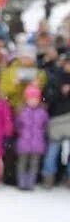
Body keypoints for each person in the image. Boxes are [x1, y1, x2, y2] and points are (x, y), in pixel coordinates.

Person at [15, 83, 49, 191]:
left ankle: (30, 183)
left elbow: (45, 126)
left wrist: (41, 136)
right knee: (22, 163)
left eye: (35, 98)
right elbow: (18, 125)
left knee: (34, 164)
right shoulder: (22, 111)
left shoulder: (42, 112)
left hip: (37, 143)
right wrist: (22, 134)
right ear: (26, 99)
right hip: (24, 143)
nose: (33, 101)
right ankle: (21, 182)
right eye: (30, 98)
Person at [44, 53, 70, 186]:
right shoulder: (55, 77)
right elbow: (48, 97)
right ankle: (49, 177)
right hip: (56, 119)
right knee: (52, 151)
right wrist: (60, 91)